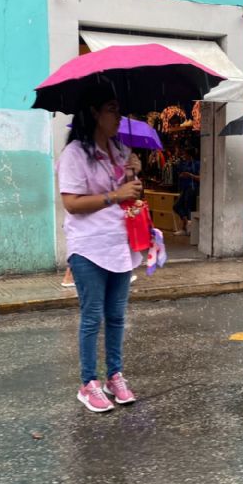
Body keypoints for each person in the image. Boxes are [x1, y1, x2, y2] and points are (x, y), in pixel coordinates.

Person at [57, 85, 143, 413]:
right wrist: (116, 195)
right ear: (94, 113)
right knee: (92, 316)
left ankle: (114, 376)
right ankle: (88, 382)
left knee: (117, 316)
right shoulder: (75, 154)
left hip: (119, 244)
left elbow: (131, 194)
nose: (118, 116)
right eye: (112, 109)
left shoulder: (120, 150)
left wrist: (133, 173)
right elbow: (71, 203)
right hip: (88, 247)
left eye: (119, 109)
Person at [173, 147, 200, 236]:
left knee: (188, 207)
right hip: (184, 188)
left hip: (193, 188)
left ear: (189, 154)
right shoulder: (185, 164)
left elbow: (201, 178)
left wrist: (190, 175)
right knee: (177, 206)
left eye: (185, 154)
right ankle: (186, 225)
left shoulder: (197, 164)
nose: (184, 156)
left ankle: (187, 229)